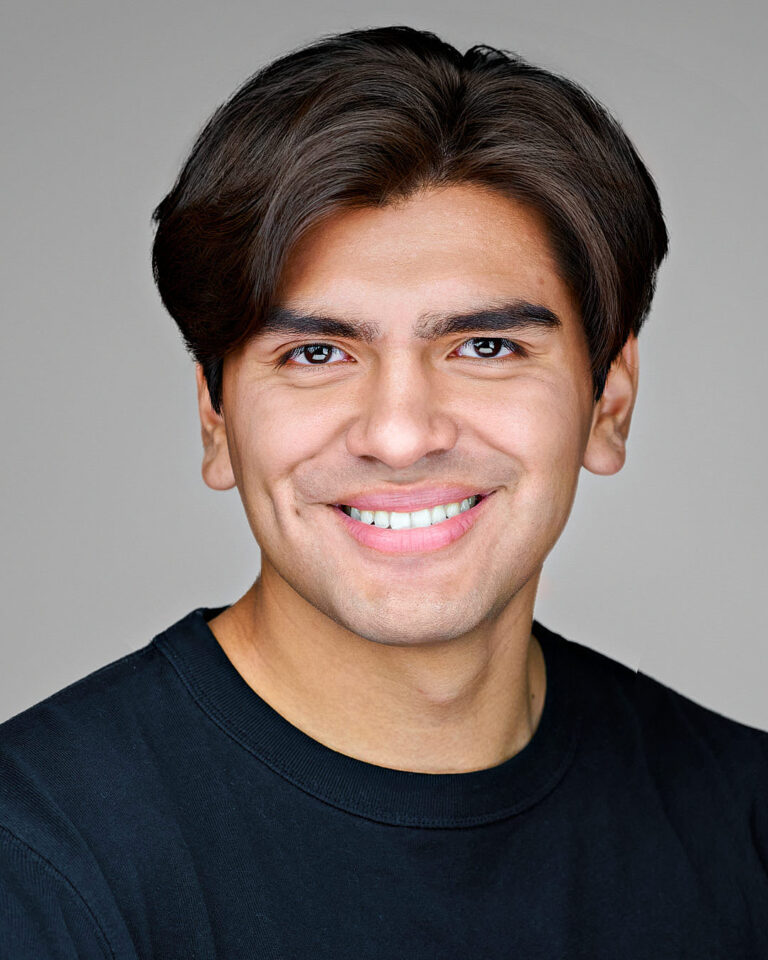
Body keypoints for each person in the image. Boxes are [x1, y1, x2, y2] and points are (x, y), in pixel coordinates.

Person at [1, 23, 766, 959]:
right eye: (317, 353)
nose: (401, 434)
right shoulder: (37, 865)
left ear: (609, 401)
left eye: (486, 347)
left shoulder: (745, 828)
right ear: (216, 420)